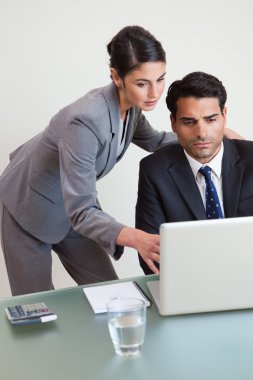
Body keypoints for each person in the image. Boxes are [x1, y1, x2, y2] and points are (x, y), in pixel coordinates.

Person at [0, 26, 241, 295]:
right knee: (37, 306)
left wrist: (217, 137)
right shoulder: (84, 120)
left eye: (160, 79)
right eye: (142, 83)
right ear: (116, 76)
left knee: (111, 293)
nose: (155, 93)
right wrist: (139, 239)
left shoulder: (132, 109)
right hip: (30, 205)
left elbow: (156, 141)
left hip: (76, 205)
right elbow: (81, 211)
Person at [136, 71, 252, 275]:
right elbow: (152, 255)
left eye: (211, 119)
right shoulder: (154, 170)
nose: (202, 133)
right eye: (189, 122)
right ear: (173, 122)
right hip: (188, 281)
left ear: (224, 116)